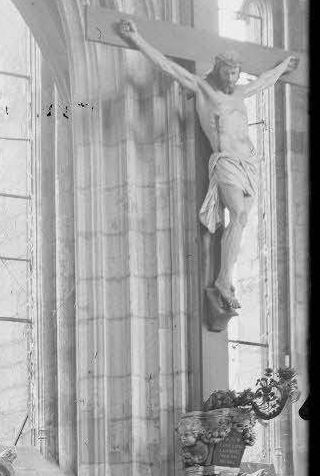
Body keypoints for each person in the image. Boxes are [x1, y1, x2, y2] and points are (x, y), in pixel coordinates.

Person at [116, 19, 298, 314]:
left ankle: (225, 278)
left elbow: (264, 81)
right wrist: (137, 38)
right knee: (237, 213)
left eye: (236, 71)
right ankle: (224, 281)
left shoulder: (239, 93)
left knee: (240, 221)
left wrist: (283, 67)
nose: (232, 76)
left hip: (248, 163)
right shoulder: (204, 89)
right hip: (225, 161)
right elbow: (168, 67)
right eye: (227, 71)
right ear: (218, 69)